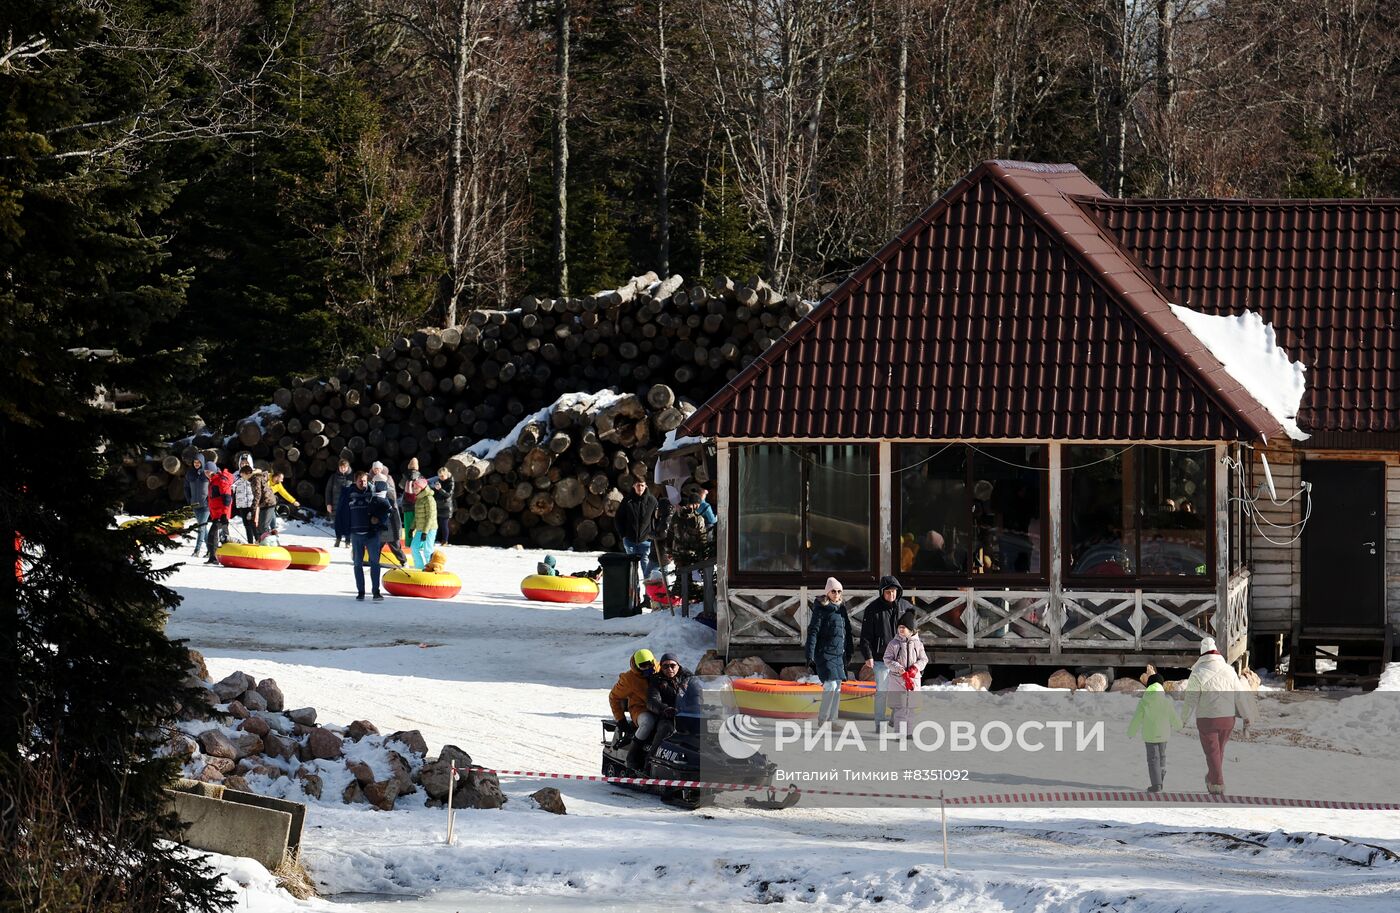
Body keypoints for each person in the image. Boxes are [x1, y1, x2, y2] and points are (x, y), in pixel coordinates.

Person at [1181, 636, 1256, 795]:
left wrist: (1182, 720)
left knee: (1212, 752)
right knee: (1218, 752)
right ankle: (1211, 777)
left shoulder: (1197, 673)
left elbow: (1191, 700)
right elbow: (1239, 696)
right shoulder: (1229, 670)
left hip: (1207, 719)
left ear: (1202, 654)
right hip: (1228, 720)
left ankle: (1217, 784)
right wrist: (1246, 717)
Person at [860, 575, 911, 729]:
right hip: (880, 658)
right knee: (882, 692)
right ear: (882, 592)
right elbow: (865, 636)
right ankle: (880, 724)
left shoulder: (906, 607)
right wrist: (867, 655)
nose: (891, 595)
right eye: (888, 592)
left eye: (894, 591)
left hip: (900, 659)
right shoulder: (872, 609)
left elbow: (913, 633)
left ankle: (896, 720)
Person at [805, 578, 853, 724]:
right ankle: (822, 718)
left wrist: (849, 651)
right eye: (833, 591)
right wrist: (809, 653)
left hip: (839, 654)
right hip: (824, 653)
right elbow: (813, 631)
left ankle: (833, 720)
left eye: (839, 591)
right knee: (831, 685)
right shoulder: (821, 609)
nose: (836, 594)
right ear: (828, 592)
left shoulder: (842, 609)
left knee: (838, 686)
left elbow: (847, 632)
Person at [336, 471, 389, 601]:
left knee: (375, 563)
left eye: (365, 480)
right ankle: (361, 592)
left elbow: (385, 509)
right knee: (357, 564)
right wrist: (341, 531)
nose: (363, 483)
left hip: (372, 534)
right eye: (360, 480)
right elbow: (341, 513)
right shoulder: (348, 494)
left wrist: (379, 520)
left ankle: (376, 592)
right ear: (355, 481)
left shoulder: (373, 493)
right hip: (356, 534)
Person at [1127, 673, 1181, 793]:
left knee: (1153, 759)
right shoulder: (1166, 702)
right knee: (1162, 756)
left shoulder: (1144, 701)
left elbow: (1137, 718)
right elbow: (1173, 717)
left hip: (1150, 735)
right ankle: (1160, 775)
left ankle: (1156, 784)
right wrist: (1179, 726)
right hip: (1164, 735)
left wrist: (1131, 732)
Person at [609, 649, 658, 770]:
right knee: (648, 722)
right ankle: (633, 756)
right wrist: (621, 720)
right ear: (636, 665)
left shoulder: (662, 669)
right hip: (641, 709)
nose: (647, 668)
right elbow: (614, 697)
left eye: (649, 664)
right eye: (643, 666)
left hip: (662, 707)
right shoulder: (629, 679)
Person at [883, 611, 927, 736]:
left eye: (904, 627)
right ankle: (900, 733)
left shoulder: (918, 644)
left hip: (913, 681)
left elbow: (924, 659)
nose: (901, 629)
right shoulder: (894, 644)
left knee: (911, 709)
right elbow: (887, 659)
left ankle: (909, 732)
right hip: (898, 681)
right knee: (901, 709)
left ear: (911, 630)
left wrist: (916, 668)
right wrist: (898, 668)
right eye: (899, 627)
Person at [615, 478, 660, 594]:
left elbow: (657, 520)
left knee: (647, 570)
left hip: (646, 541)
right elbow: (618, 518)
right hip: (630, 540)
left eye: (642, 485)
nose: (640, 488)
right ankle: (634, 595)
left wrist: (653, 534)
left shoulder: (652, 501)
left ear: (646, 486)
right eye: (638, 485)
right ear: (633, 486)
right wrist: (623, 535)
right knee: (632, 571)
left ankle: (648, 596)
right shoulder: (627, 500)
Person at [204, 461, 233, 563]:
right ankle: (213, 557)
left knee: (213, 534)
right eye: (205, 471)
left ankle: (215, 557)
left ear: (214, 470)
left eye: (209, 471)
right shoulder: (212, 480)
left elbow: (227, 498)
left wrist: (224, 514)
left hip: (222, 514)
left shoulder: (220, 480)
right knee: (219, 535)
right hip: (216, 514)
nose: (207, 473)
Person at [408, 477, 437, 569]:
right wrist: (412, 528)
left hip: (430, 529)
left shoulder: (429, 499)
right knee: (414, 547)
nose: (414, 490)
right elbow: (417, 516)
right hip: (420, 529)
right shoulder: (419, 499)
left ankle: (431, 569)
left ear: (422, 488)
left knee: (427, 550)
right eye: (414, 488)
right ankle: (420, 568)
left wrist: (425, 532)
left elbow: (430, 517)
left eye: (416, 488)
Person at [184, 457, 210, 557]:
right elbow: (186, 487)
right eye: (195, 462)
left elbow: (214, 486)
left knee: (200, 527)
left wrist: (210, 500)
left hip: (206, 505)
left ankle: (197, 550)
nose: (196, 464)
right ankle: (210, 550)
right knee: (203, 527)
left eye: (198, 462)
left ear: (202, 462)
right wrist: (189, 499)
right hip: (195, 505)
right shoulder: (190, 473)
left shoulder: (207, 473)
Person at [325, 458, 354, 546]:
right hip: (336, 504)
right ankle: (338, 538)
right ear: (339, 467)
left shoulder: (352, 477)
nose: (343, 469)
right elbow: (328, 490)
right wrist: (328, 504)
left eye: (344, 467)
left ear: (348, 467)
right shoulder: (333, 477)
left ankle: (348, 541)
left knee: (348, 522)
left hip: (348, 504)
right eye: (341, 467)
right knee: (337, 522)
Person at [399, 457, 422, 544]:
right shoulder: (420, 476)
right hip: (417, 503)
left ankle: (409, 542)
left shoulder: (405, 476)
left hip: (407, 504)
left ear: (409, 466)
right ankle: (418, 542)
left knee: (408, 524)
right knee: (418, 524)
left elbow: (401, 486)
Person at [232, 466, 257, 543]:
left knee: (253, 524)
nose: (242, 475)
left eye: (243, 474)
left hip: (251, 505)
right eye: (241, 474)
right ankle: (250, 542)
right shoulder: (238, 482)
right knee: (246, 525)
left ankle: (258, 540)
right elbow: (231, 487)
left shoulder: (253, 481)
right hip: (242, 506)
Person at [433, 467, 454, 546]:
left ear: (446, 475)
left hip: (446, 507)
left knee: (444, 525)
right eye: (439, 476)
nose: (440, 478)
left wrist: (440, 489)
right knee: (435, 524)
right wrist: (435, 489)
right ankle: (434, 540)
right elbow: (436, 493)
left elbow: (448, 495)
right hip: (438, 506)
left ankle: (445, 541)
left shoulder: (451, 482)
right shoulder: (439, 481)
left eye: (442, 476)